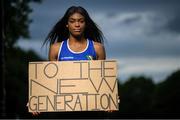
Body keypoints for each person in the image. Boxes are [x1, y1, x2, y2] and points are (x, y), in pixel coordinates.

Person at [28, 6, 107, 116]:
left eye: (81, 21)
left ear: (86, 24)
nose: (77, 25)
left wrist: (110, 98)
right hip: (64, 112)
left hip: (91, 112)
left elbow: (102, 81)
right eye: (72, 21)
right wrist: (36, 99)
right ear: (67, 24)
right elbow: (51, 82)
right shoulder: (56, 49)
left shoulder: (97, 48)